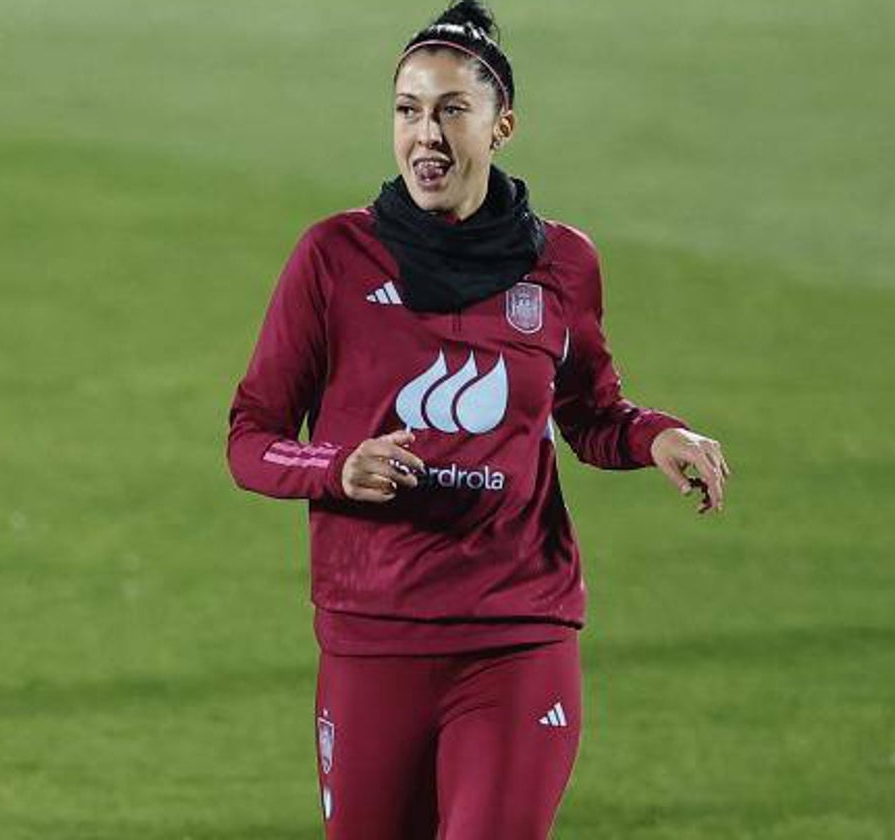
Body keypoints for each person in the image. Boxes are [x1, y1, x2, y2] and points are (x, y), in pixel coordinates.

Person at [225, 2, 731, 836]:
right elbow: (250, 437)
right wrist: (336, 466)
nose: (426, 133)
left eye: (452, 110)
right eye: (408, 110)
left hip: (516, 633)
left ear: (502, 126)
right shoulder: (332, 259)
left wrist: (655, 436)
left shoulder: (563, 263)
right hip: (373, 635)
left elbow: (592, 413)